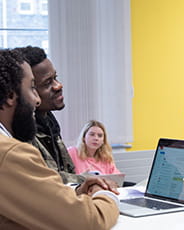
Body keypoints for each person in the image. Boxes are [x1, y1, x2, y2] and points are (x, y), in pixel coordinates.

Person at [0, 49, 119, 229]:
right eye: (32, 87)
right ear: (10, 95)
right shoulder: (9, 153)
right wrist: (105, 194)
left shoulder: (49, 126)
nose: (36, 100)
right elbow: (90, 221)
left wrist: (77, 191)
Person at [14, 46, 83, 184]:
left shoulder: (50, 124)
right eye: (47, 83)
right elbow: (45, 180)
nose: (58, 86)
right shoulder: (22, 132)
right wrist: (87, 181)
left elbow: (67, 172)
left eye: (55, 78)